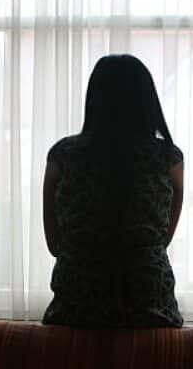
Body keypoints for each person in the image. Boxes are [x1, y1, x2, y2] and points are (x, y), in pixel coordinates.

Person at [42, 54, 184, 328]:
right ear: (147, 101)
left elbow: (54, 243)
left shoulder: (63, 156)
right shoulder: (168, 158)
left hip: (77, 302)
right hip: (149, 303)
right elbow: (162, 240)